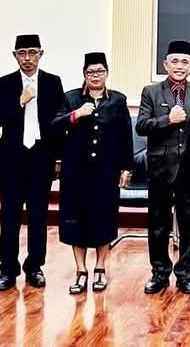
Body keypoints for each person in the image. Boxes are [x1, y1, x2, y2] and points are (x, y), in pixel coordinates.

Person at [136, 40, 190, 295]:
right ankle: (159, 273)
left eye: (184, 62)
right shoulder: (151, 91)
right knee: (158, 224)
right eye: (175, 61)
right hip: (160, 168)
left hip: (189, 168)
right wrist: (166, 120)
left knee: (188, 223)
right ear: (165, 64)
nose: (179, 66)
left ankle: (185, 274)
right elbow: (142, 126)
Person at [51, 52, 133, 295]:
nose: (95, 76)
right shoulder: (71, 98)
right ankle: (80, 270)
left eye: (100, 71)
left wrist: (126, 168)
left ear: (107, 73)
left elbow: (125, 137)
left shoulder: (117, 100)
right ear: (84, 74)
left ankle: (100, 267)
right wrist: (75, 115)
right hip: (76, 171)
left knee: (103, 218)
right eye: (90, 72)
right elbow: (53, 127)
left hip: (106, 171)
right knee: (75, 219)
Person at [0, 34, 65, 291]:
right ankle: (7, 269)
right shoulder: (4, 83)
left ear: (41, 54)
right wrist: (19, 102)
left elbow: (58, 124)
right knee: (9, 216)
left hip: (41, 159)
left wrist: (58, 158)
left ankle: (35, 266)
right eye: (22, 53)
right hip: (13, 160)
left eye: (32, 52)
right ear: (15, 56)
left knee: (38, 216)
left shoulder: (53, 83)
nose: (27, 58)